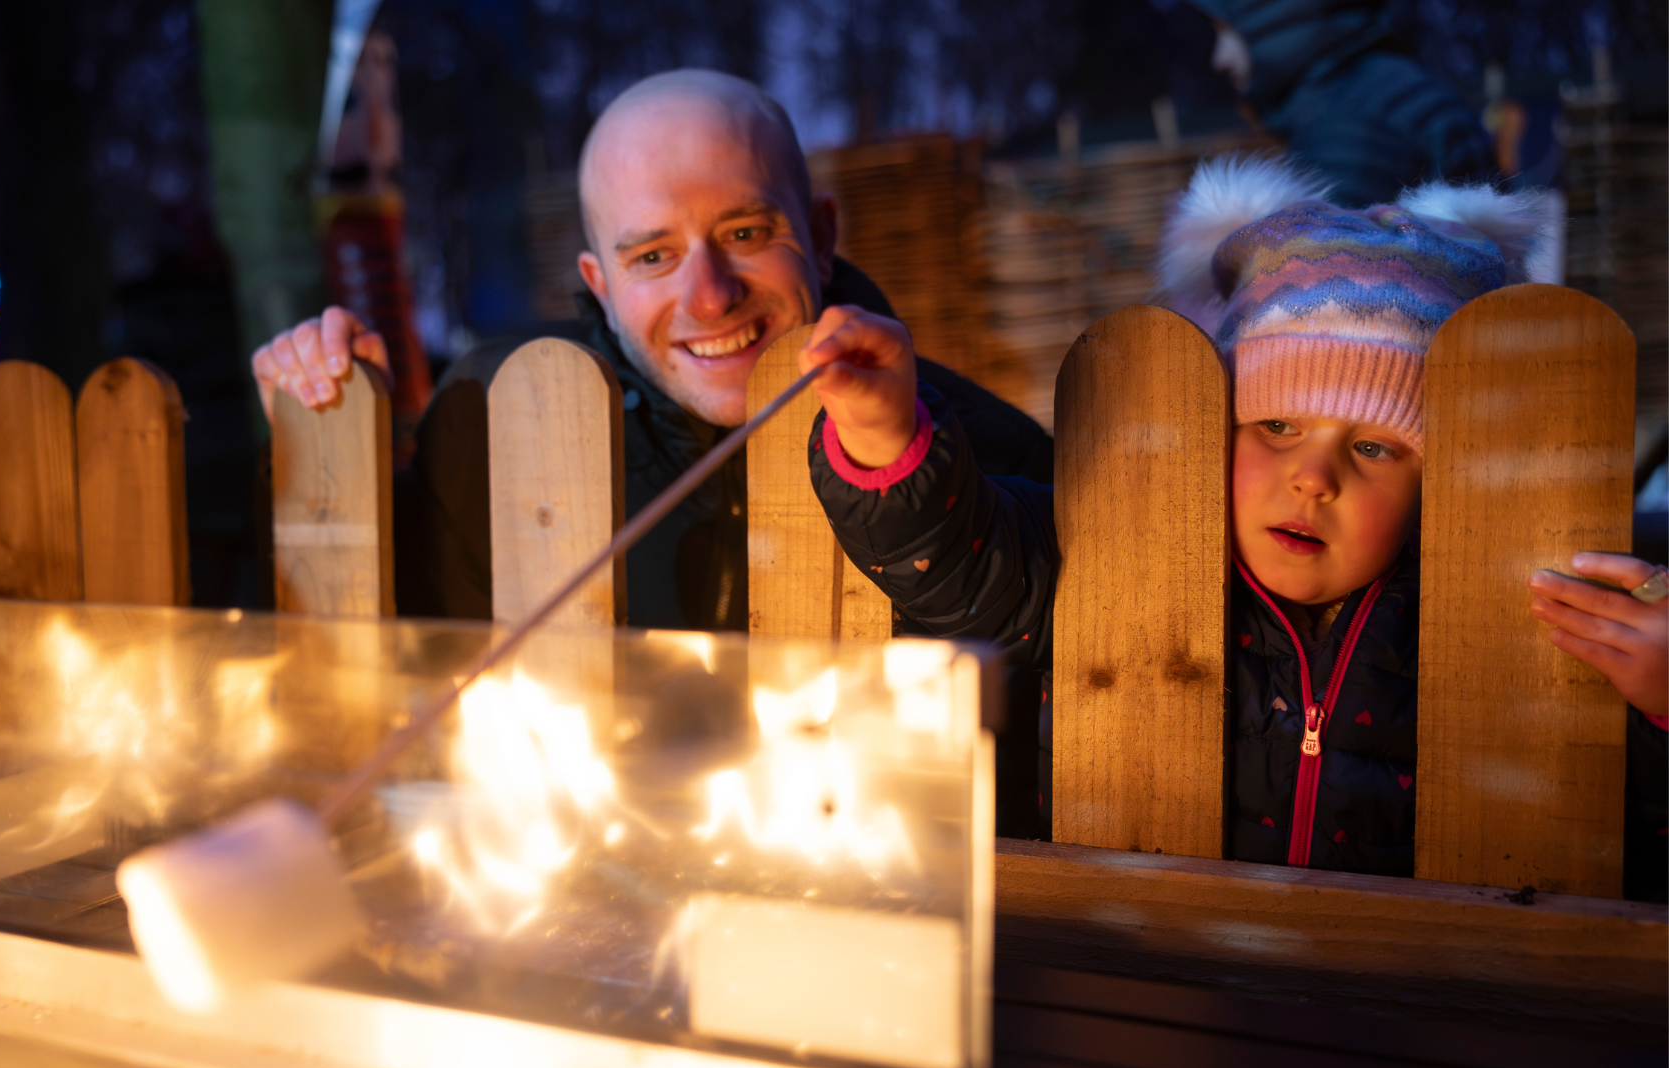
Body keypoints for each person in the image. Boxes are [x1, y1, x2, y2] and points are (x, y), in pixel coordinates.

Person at [800, 157, 1668, 899]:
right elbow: (963, 564)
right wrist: (885, 435)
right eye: (1276, 427)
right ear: (1219, 428)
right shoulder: (1113, 550)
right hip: (1156, 993)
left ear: (1438, 485)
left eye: (1373, 445)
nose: (1314, 476)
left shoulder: (1522, 617)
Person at [250, 68, 1051, 629]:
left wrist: (899, 465)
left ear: (822, 233)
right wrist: (340, 464)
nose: (709, 295)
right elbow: (396, 675)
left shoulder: (987, 446)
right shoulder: (490, 422)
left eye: (744, 232)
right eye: (653, 256)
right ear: (599, 282)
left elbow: (1039, 644)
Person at [1193, 0, 1492, 208]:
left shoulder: (1343, 118)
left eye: (1225, 33)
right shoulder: (1386, 81)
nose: (1219, 60)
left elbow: (1335, 278)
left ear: (1273, 22)